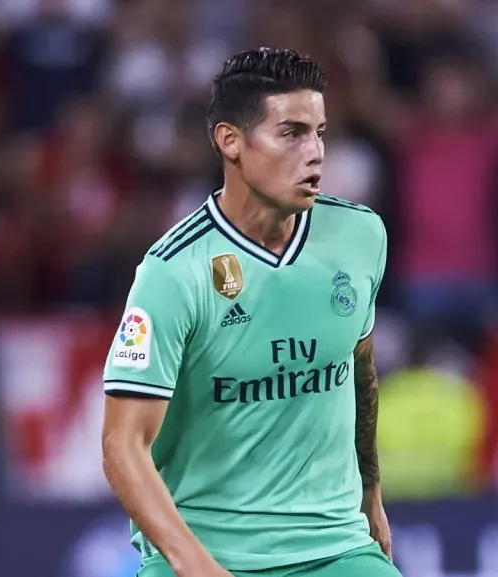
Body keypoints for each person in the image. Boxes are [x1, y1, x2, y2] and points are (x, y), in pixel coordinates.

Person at [101, 48, 398, 577]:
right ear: (230, 141)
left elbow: (358, 367)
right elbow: (122, 445)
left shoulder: (359, 235)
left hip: (334, 547)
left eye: (321, 132)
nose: (316, 153)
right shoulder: (173, 272)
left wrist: (370, 495)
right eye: (291, 133)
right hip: (207, 550)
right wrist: (197, 566)